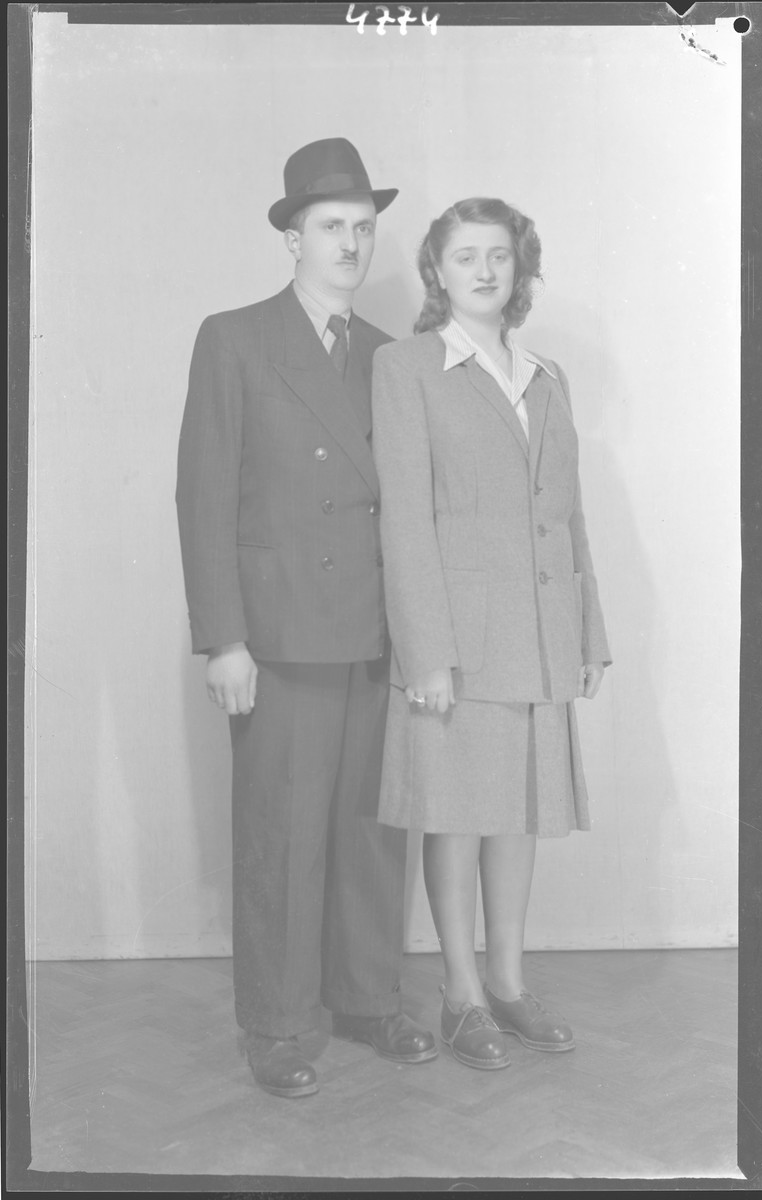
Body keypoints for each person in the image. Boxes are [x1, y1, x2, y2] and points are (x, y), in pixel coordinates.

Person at [176, 138, 437, 1100]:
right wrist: (225, 638)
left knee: (372, 827)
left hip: (373, 631)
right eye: (331, 227)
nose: (350, 244)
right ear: (290, 238)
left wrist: (419, 637)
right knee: (282, 833)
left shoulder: (387, 354)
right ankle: (279, 1024)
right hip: (278, 638)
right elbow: (202, 496)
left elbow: (409, 505)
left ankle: (366, 999)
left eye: (364, 229)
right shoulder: (235, 337)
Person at [371, 197, 611, 1071]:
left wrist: (586, 634)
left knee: (517, 816)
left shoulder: (545, 376)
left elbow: (567, 514)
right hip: (460, 642)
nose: (483, 270)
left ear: (520, 268)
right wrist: (423, 650)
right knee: (458, 817)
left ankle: (508, 985)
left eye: (498, 256)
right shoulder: (407, 367)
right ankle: (460, 993)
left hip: (541, 634)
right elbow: (404, 519)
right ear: (436, 272)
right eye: (464, 256)